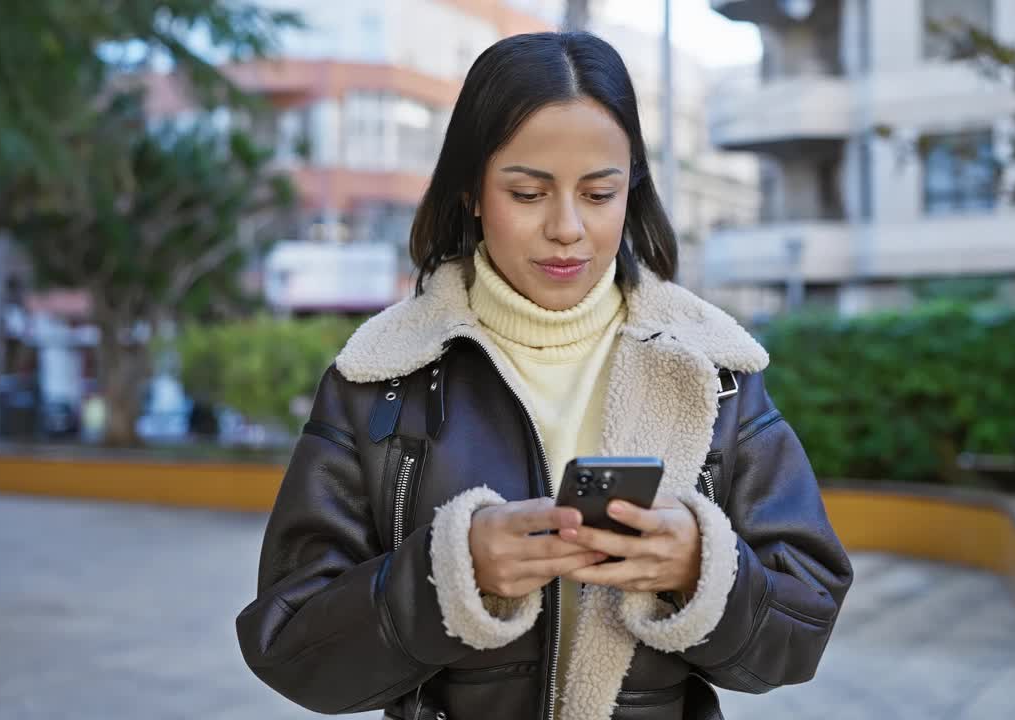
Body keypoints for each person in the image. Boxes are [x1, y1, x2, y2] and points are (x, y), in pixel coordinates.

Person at [236, 31, 852, 720]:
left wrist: (701, 572)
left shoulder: (712, 369)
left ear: (632, 191)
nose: (568, 228)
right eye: (528, 193)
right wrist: (448, 576)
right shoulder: (381, 376)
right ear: (471, 191)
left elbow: (803, 629)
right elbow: (289, 645)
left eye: (599, 194)